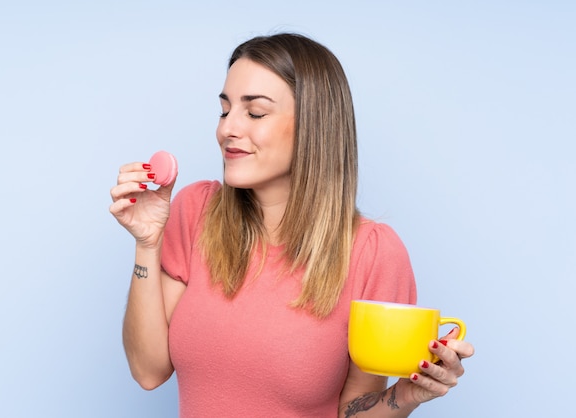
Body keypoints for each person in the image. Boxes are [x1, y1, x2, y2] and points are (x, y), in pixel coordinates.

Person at [109, 33, 474, 417]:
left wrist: (410, 396)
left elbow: (353, 411)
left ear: (314, 126)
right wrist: (147, 243)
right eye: (224, 110)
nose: (226, 129)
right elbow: (148, 371)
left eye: (255, 113)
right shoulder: (196, 211)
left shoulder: (372, 252)